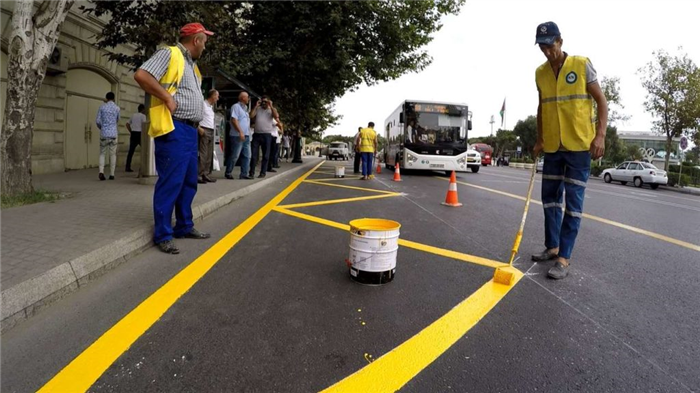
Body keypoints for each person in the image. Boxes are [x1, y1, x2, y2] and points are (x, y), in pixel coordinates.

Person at [531, 21, 607, 279]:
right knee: (550, 200)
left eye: (550, 45)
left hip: (579, 147)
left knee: (572, 205)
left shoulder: (581, 64)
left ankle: (564, 257)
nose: (546, 51)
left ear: (560, 41)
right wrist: (540, 140)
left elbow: (601, 101)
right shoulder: (540, 73)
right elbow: (542, 108)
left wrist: (600, 136)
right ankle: (552, 247)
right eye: (542, 46)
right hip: (553, 146)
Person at [133, 22, 214, 254]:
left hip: (189, 130)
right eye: (204, 42)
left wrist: (197, 124)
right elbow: (141, 75)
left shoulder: (192, 66)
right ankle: (163, 234)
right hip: (174, 128)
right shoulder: (170, 53)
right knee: (171, 182)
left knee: (189, 181)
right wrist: (167, 98)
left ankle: (184, 226)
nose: (205, 47)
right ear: (196, 40)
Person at [249, 96, 281, 178]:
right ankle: (251, 172)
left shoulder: (271, 110)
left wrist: (271, 106)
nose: (264, 103)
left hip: (267, 135)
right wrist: (256, 106)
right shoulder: (258, 109)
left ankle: (263, 172)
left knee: (266, 155)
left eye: (266, 102)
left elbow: (276, 116)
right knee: (253, 154)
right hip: (257, 134)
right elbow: (251, 116)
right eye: (263, 101)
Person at [226, 91, 253, 180]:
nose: (248, 99)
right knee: (235, 155)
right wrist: (240, 132)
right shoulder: (236, 107)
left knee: (247, 155)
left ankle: (244, 174)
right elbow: (234, 120)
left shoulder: (245, 109)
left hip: (246, 135)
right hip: (237, 135)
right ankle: (228, 172)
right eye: (247, 97)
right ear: (242, 98)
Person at [95, 92, 120, 181]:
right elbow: (117, 120)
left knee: (102, 153)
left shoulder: (102, 107)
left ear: (106, 98)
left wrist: (102, 128)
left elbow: (97, 121)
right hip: (113, 134)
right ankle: (112, 174)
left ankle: (101, 171)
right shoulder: (117, 108)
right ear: (113, 98)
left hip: (104, 133)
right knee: (112, 154)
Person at [197, 89, 219, 184]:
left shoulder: (210, 107)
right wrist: (198, 127)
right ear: (213, 96)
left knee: (209, 153)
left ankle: (205, 174)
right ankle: (198, 174)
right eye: (217, 96)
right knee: (203, 153)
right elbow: (197, 116)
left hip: (210, 129)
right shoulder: (203, 104)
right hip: (204, 129)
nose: (217, 99)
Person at [125, 104, 146, 173]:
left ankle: (127, 166)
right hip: (140, 134)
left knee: (131, 151)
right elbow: (144, 125)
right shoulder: (143, 116)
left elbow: (127, 124)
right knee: (145, 151)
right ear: (143, 109)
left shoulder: (133, 115)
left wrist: (131, 131)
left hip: (133, 133)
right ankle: (144, 166)